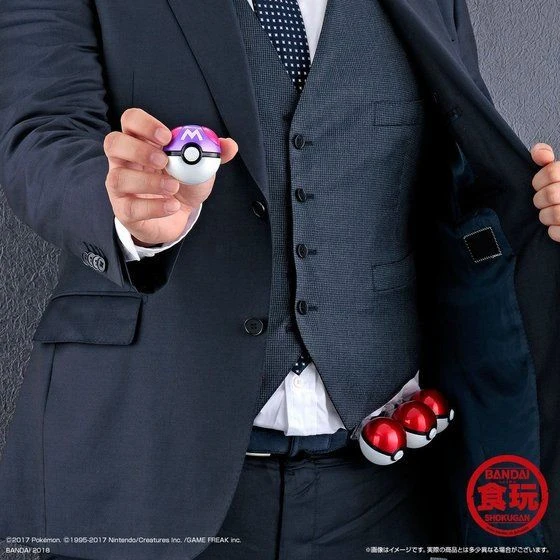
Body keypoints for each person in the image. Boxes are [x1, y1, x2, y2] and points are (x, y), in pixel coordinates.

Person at [0, 0, 558, 559]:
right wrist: (127, 209)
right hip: (139, 467)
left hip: (391, 490)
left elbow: (464, 174)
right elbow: (41, 135)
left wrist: (544, 210)